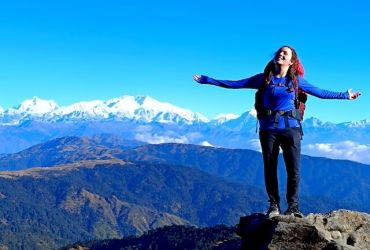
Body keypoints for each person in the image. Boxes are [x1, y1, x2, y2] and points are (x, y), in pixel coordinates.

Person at [193, 45, 361, 218]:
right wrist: (209, 80)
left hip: (291, 129)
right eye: (279, 52)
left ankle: (293, 207)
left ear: (291, 61)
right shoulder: (264, 79)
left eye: (285, 53)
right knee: (270, 167)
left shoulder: (296, 81)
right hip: (268, 130)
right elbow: (236, 84)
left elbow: (320, 92)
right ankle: (274, 205)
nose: (281, 54)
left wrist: (345, 96)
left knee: (293, 170)